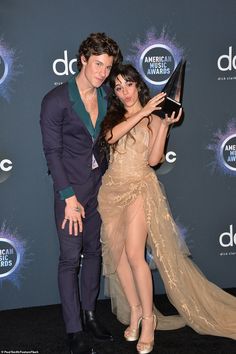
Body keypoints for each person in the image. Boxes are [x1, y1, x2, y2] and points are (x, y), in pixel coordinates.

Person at [98, 63, 236, 353]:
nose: (123, 91)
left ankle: (149, 320)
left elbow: (153, 160)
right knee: (117, 256)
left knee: (135, 255)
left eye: (128, 84)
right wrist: (143, 112)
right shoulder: (113, 117)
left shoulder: (155, 118)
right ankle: (135, 311)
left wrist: (163, 125)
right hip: (111, 191)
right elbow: (110, 138)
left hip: (139, 188)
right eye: (118, 87)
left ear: (138, 85)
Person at [40, 33, 122, 354]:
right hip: (70, 193)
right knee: (69, 259)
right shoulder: (56, 100)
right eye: (98, 64)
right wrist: (68, 198)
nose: (103, 72)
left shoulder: (106, 96)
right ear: (84, 59)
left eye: (108, 66)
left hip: (98, 189)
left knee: (94, 253)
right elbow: (52, 152)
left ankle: (90, 315)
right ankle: (74, 328)